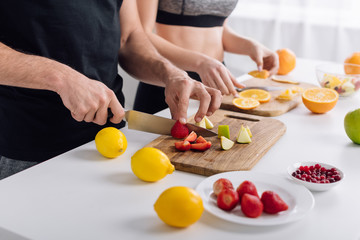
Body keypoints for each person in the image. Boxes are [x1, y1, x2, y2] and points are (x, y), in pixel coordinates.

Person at [0, 0, 222, 179]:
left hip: (113, 142)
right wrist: (61, 77)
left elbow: (129, 39)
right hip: (27, 152)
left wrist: (170, 73)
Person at [134, 0, 279, 114]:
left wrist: (251, 46)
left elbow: (217, 29)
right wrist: (200, 62)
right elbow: (140, 34)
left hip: (215, 79)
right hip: (171, 78)